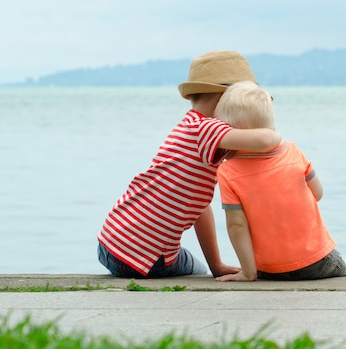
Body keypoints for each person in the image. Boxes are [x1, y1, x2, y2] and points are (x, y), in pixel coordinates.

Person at [97, 51, 282, 278]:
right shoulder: (207, 129)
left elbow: (199, 207)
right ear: (226, 99)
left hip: (114, 242)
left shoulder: (190, 129)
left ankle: (208, 266)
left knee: (199, 267)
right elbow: (264, 140)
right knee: (197, 272)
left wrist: (218, 266)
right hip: (140, 256)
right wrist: (278, 137)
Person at [213, 81, 346, 281]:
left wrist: (248, 272)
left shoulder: (227, 171)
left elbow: (237, 226)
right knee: (340, 268)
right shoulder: (293, 151)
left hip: (269, 269)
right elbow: (318, 194)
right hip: (317, 261)